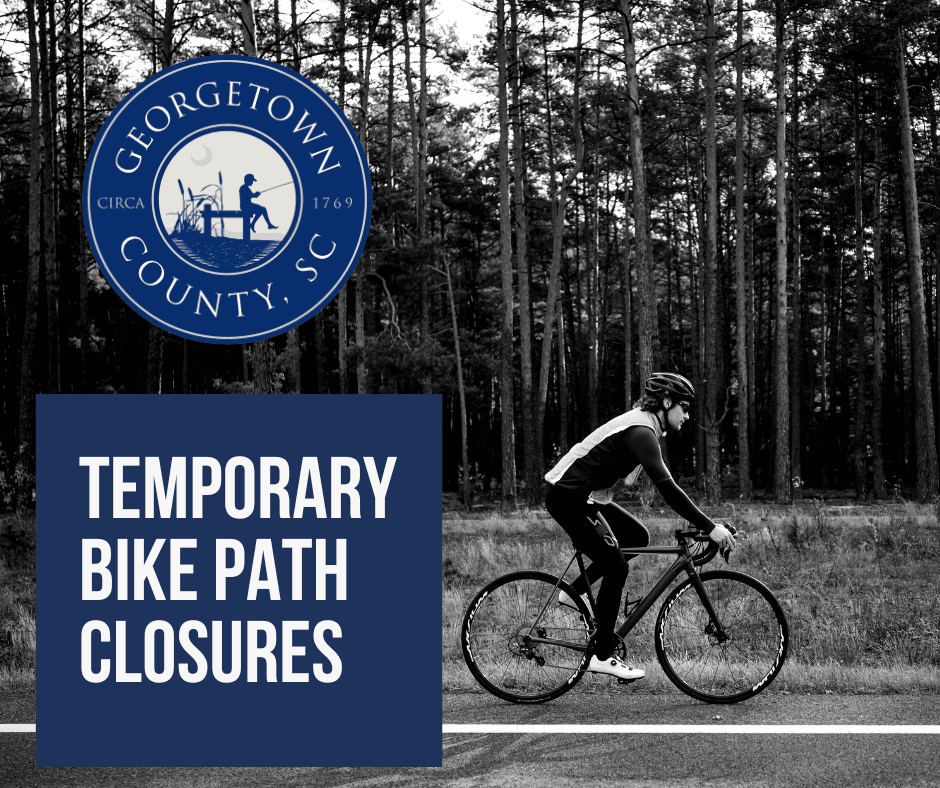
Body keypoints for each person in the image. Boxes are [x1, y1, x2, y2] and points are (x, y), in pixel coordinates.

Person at [544, 372, 736, 682]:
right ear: (667, 402)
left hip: (584, 497)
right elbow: (669, 489)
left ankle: (573, 594)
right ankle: (602, 655)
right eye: (684, 408)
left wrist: (709, 525)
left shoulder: (646, 428)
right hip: (568, 497)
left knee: (637, 536)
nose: (687, 416)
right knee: (616, 568)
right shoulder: (641, 432)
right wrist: (710, 527)